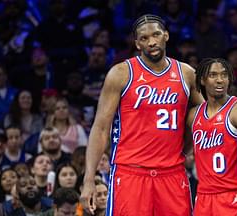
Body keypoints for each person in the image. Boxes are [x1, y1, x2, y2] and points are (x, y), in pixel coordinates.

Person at [80, 14, 204, 215]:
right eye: (144, 38)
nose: (152, 42)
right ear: (137, 44)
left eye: (156, 35)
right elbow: (101, 128)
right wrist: (88, 180)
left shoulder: (187, 73)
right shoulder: (121, 73)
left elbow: (208, 116)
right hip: (131, 173)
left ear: (166, 35)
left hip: (172, 173)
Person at [185, 58, 237, 215]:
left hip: (235, 195)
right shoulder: (193, 116)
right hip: (204, 197)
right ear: (203, 81)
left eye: (224, 75)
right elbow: (183, 150)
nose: (220, 80)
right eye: (213, 75)